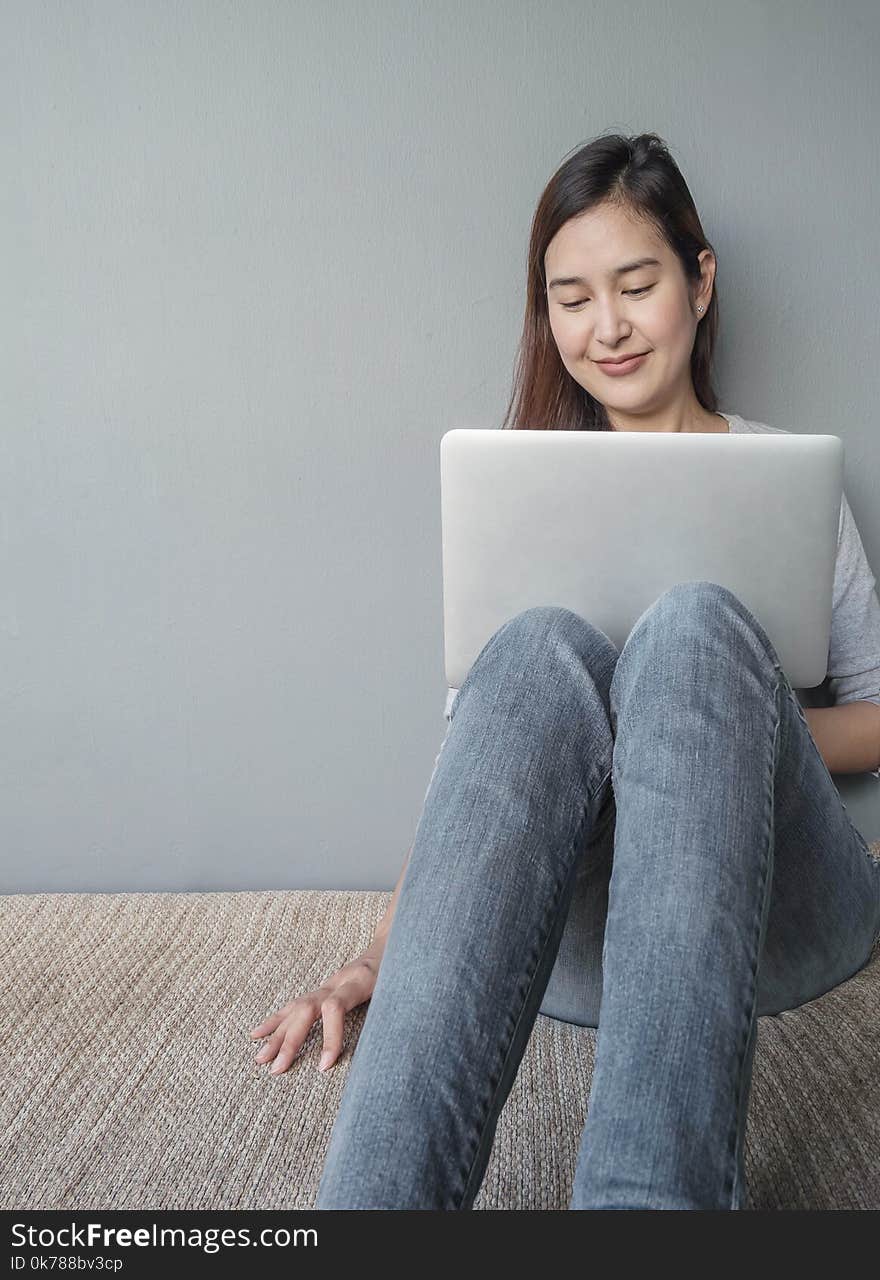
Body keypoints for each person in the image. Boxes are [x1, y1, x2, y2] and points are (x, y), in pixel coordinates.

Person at [250, 132, 880, 1210]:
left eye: (636, 285)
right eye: (571, 297)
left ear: (700, 279)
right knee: (538, 647)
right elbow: (477, 784)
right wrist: (373, 960)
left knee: (689, 634)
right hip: (577, 944)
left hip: (784, 913)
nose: (608, 326)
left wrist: (703, 712)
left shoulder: (788, 478)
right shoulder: (518, 499)